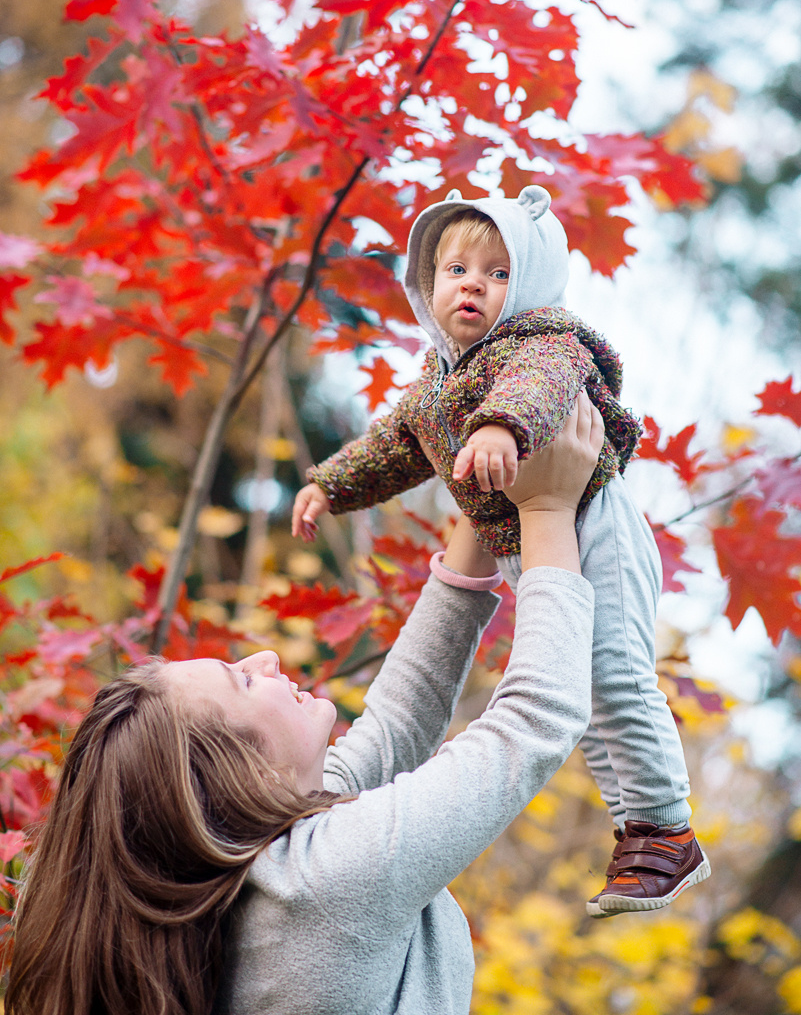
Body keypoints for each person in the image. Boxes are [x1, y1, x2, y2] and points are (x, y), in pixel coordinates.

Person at [9, 396, 601, 1015]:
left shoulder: (259, 869)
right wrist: (549, 511)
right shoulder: (320, 884)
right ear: (245, 776)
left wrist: (479, 504)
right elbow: (530, 725)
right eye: (240, 680)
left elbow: (398, 724)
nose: (263, 659)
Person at [293, 185, 710, 916]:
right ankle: (633, 829)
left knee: (612, 669)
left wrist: (501, 430)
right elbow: (394, 447)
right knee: (580, 690)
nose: (474, 285)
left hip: (591, 521)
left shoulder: (543, 345)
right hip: (531, 546)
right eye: (456, 270)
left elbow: (539, 387)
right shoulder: (434, 384)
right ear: (429, 284)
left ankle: (665, 825)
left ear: (530, 288)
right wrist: (330, 484)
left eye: (498, 273)